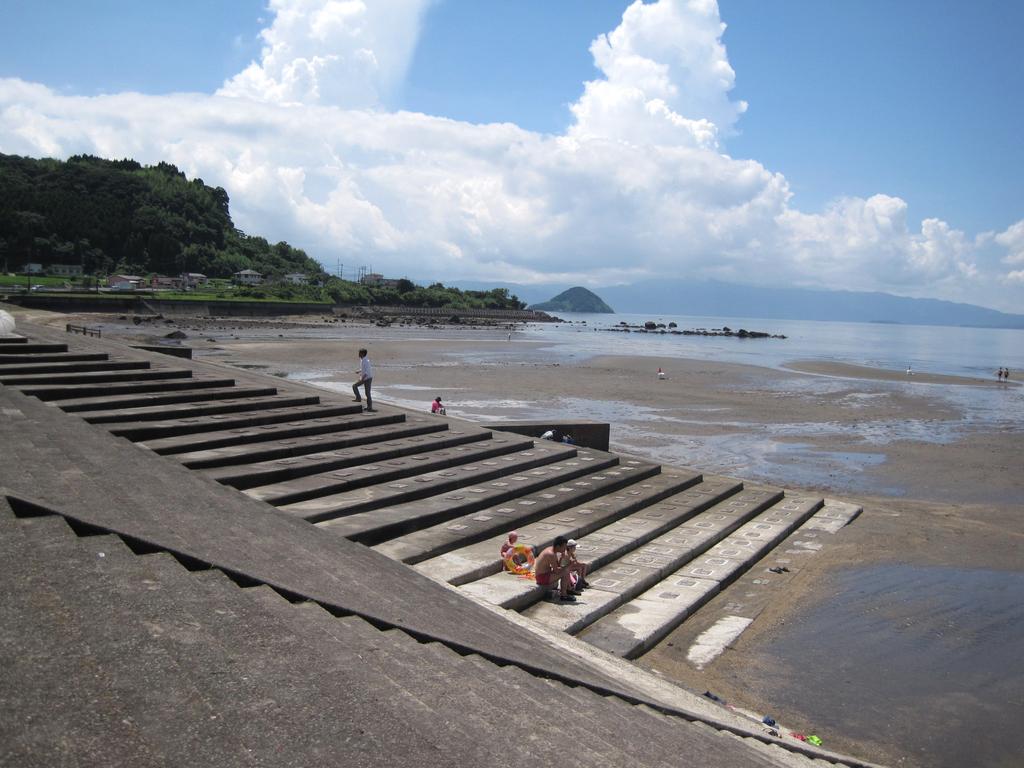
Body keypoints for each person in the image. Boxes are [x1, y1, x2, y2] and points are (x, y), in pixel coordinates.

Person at [534, 536, 576, 601]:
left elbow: (557, 566)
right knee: (565, 571)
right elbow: (557, 571)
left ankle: (568, 589)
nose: (565, 549)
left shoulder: (552, 550)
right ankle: (563, 595)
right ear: (558, 546)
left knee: (565, 570)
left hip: (546, 574)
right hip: (542, 578)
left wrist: (562, 558)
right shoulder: (551, 554)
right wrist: (569, 565)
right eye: (564, 547)